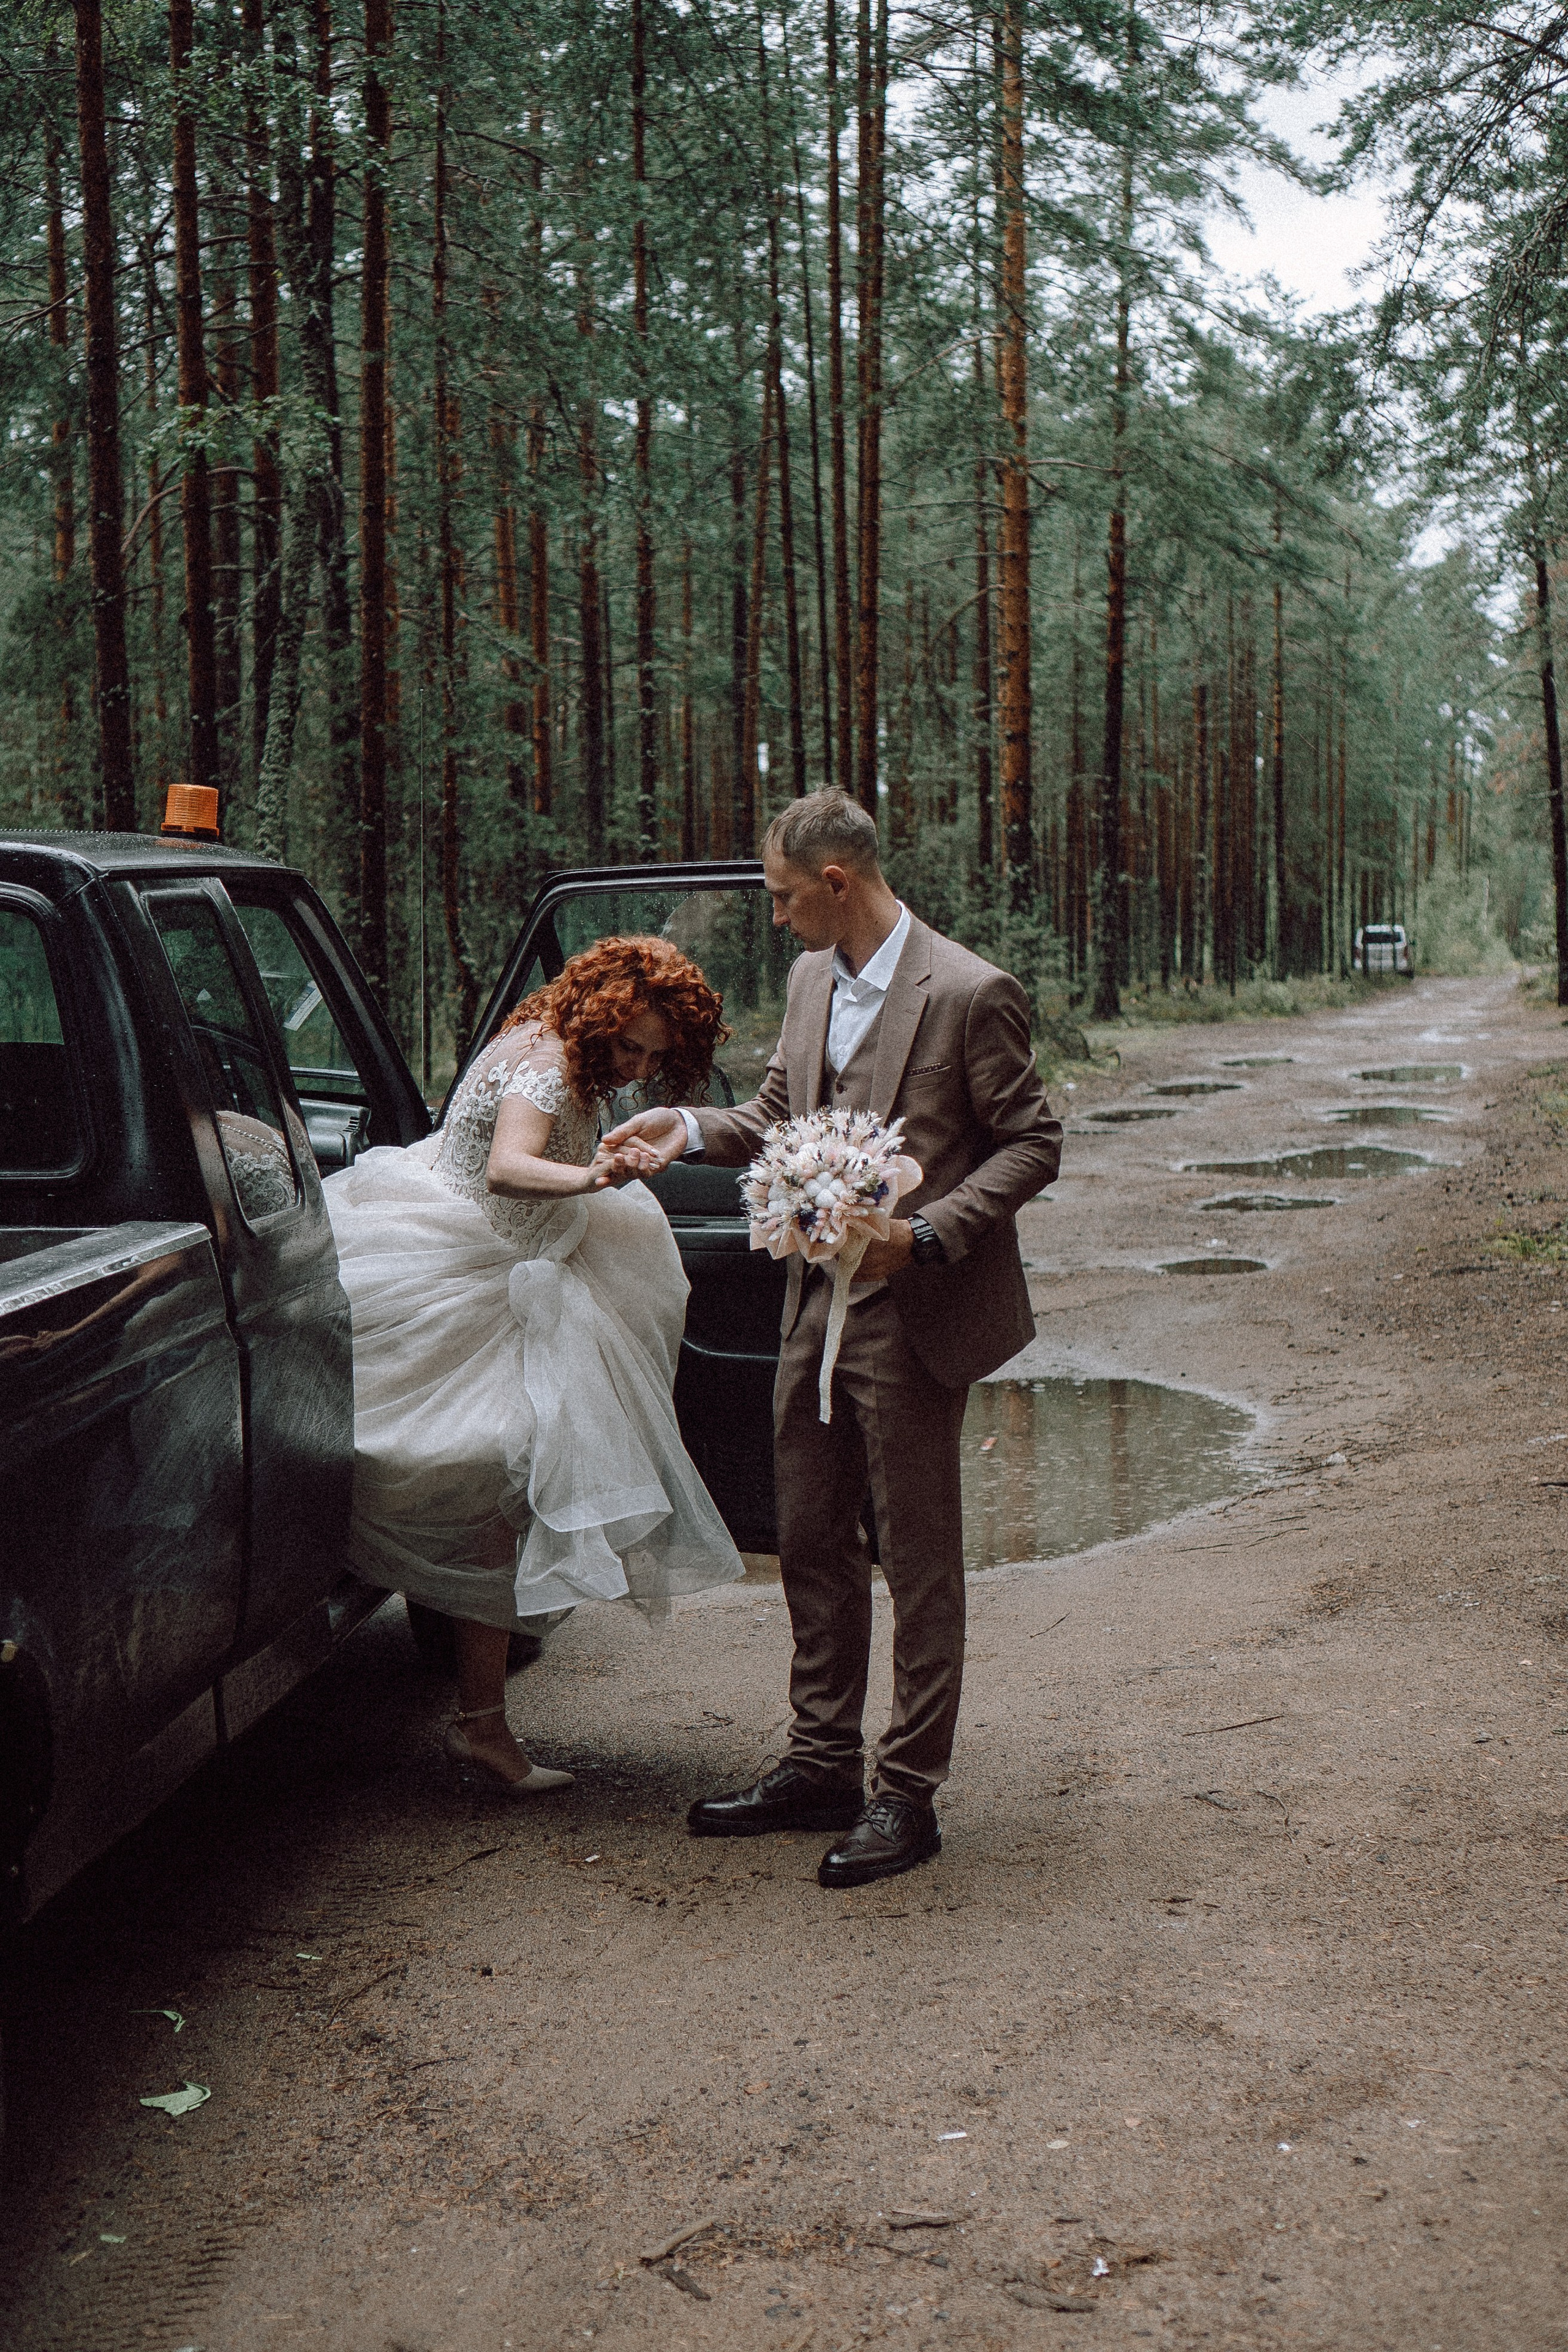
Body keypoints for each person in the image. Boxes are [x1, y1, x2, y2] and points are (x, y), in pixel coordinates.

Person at [606, 791, 1063, 1887]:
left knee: (916, 1556)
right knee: (809, 1535)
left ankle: (907, 1794)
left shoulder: (966, 991)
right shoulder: (814, 980)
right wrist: (686, 1130)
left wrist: (929, 1235)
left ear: (836, 884)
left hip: (913, 1315)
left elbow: (1034, 1141)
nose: (775, 919)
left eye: (781, 897)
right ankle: (820, 1763)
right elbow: (774, 1115)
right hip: (811, 1304)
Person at [325, 935, 745, 1795]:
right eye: (630, 1043)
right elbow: (509, 1167)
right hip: (464, 1276)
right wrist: (594, 1177)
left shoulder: (556, 1043)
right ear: (602, 1009)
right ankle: (480, 1725)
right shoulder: (549, 1061)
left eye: (656, 1057)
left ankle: (480, 1718)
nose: (634, 1066)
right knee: (500, 1482)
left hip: (514, 1267)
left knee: (505, 1487)